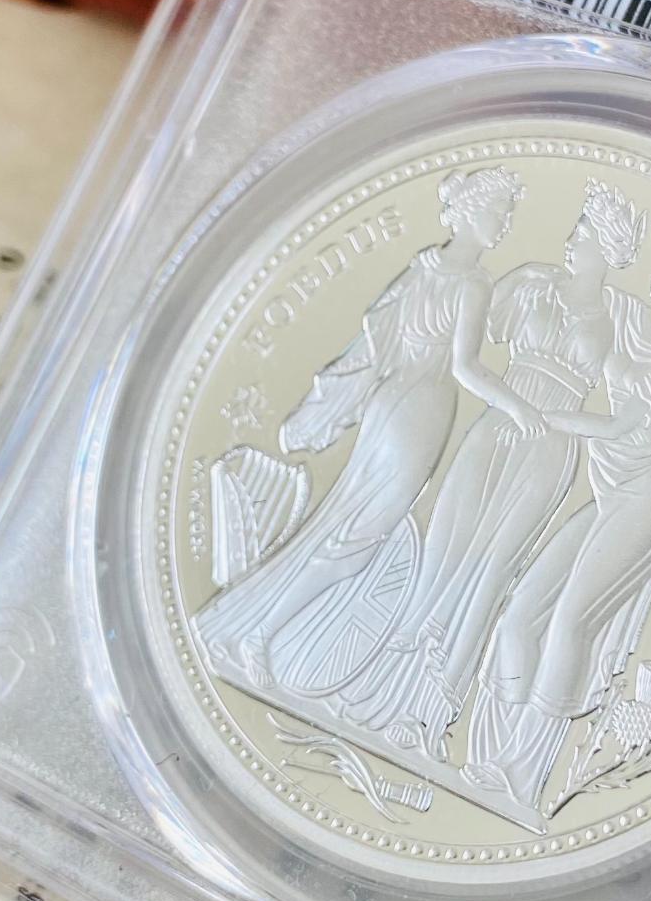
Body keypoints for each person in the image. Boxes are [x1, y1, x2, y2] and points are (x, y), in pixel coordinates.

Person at [332, 181, 648, 758]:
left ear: (608, 249)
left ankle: (429, 717)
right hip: (496, 428)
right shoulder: (530, 282)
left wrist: (561, 421)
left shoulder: (619, 321)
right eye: (576, 228)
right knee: (443, 553)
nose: (571, 239)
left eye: (584, 234)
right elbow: (465, 349)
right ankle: (377, 687)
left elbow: (629, 415)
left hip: (548, 451)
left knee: (489, 573)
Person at [193, 167, 536, 690]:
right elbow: (466, 367)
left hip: (389, 402)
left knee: (341, 524)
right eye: (499, 212)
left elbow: (373, 345)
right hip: (422, 408)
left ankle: (247, 628)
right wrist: (518, 408)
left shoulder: (421, 267)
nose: (505, 224)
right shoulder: (472, 283)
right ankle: (258, 635)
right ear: (470, 214)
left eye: (507, 215)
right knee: (357, 538)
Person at [463, 220, 651, 812]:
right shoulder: (632, 316)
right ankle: (489, 756)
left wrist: (536, 414)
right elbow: (584, 294)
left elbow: (619, 426)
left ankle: (523, 774)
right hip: (612, 489)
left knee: (571, 623)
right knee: (521, 613)